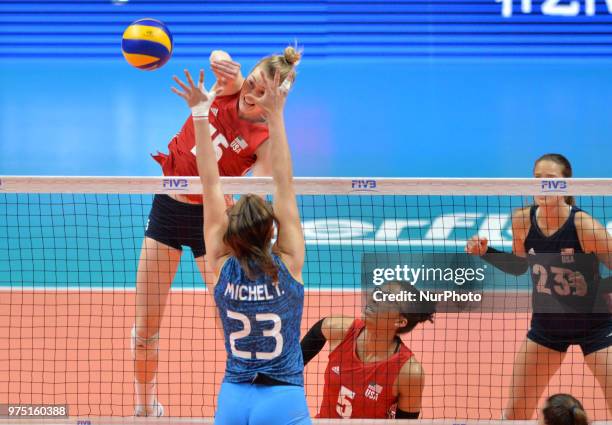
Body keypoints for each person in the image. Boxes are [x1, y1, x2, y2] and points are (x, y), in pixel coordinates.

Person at [131, 47, 301, 416]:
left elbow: (262, 193)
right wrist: (221, 61)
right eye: (252, 83)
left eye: (262, 93)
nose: (251, 95)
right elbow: (220, 58)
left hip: (213, 225)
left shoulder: (265, 141)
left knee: (237, 329)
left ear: (276, 99)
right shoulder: (231, 88)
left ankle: (249, 406)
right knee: (145, 330)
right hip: (166, 210)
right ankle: (145, 408)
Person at [171, 57, 310, 424]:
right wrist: (277, 116)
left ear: (229, 234)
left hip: (233, 397)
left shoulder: (220, 266)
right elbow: (284, 182)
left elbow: (210, 182)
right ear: (272, 232)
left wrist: (200, 114)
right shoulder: (288, 263)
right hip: (284, 397)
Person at [465, 153, 612, 420]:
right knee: (515, 413)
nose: (543, 185)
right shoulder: (522, 220)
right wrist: (487, 252)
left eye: (551, 180)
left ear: (567, 185)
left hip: (597, 326)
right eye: (537, 179)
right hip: (548, 326)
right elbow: (521, 264)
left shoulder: (584, 227)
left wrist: (593, 288)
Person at [300, 281, 435, 419]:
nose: (375, 298)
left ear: (400, 321)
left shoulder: (409, 372)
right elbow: (288, 368)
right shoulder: (336, 329)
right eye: (377, 291)